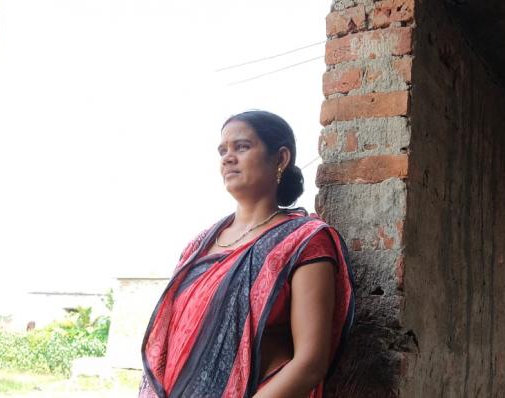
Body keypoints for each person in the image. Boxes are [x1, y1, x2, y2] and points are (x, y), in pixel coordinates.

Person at [139, 110, 354, 398]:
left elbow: (310, 363)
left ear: (280, 159)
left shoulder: (305, 241)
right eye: (222, 151)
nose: (228, 158)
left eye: (242, 147)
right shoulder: (199, 246)